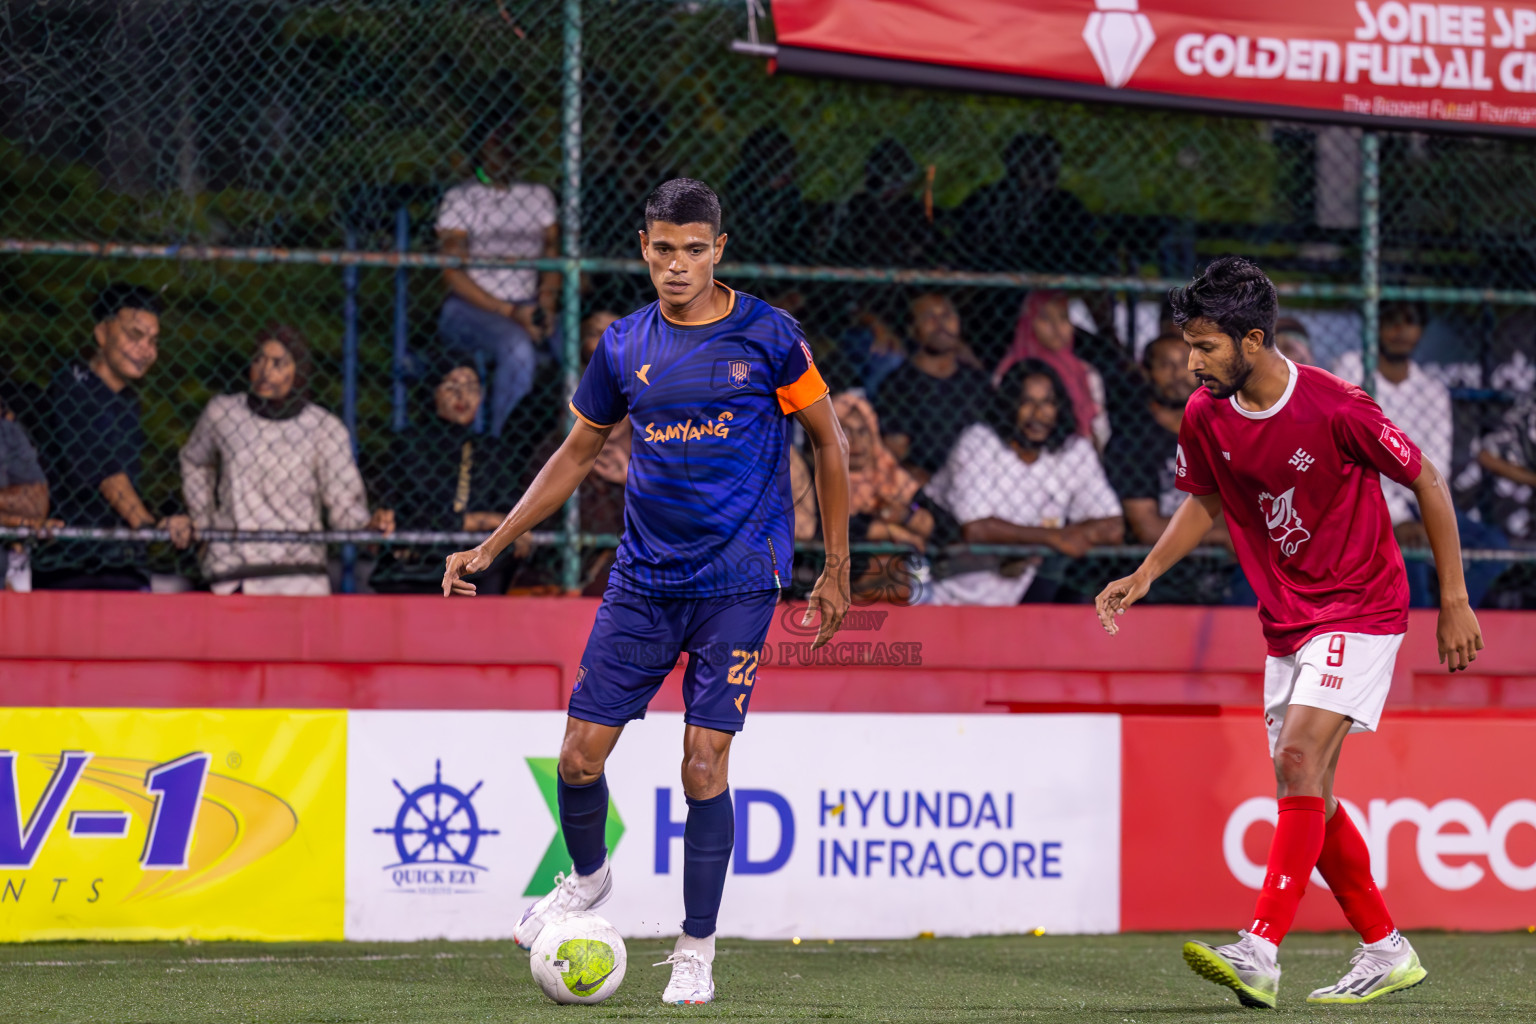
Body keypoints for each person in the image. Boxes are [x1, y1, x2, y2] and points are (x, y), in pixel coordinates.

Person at [440, 179, 850, 1006]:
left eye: (694, 250)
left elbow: (829, 443)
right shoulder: (624, 345)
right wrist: (493, 544)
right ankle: (588, 881)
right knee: (577, 758)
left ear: (718, 252)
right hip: (643, 580)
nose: (677, 265)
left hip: (740, 581)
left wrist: (836, 566)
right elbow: (575, 453)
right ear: (644, 248)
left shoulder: (770, 336)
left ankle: (695, 948)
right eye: (664, 249)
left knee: (704, 766)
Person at [1095, 257, 1483, 1009]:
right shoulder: (1207, 414)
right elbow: (1205, 499)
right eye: (1187, 347)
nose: (1191, 363)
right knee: (1313, 790)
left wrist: (1456, 599)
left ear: (1254, 338)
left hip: (1363, 605)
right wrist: (1144, 574)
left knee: (1298, 757)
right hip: (1288, 620)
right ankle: (1386, 948)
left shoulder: (1338, 407)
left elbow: (1427, 480)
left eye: (1205, 348)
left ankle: (1260, 950)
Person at [180, 324, 393, 595]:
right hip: (233, 570)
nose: (265, 371)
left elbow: (343, 501)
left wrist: (367, 529)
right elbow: (195, 461)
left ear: (298, 370)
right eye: (259, 359)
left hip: (298, 574)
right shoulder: (224, 413)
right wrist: (204, 523)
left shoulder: (322, 427)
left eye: (278, 363)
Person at [923, 360, 1122, 605]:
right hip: (951, 593)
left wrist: (1042, 543)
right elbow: (976, 528)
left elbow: (1112, 525)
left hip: (1024, 591)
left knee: (1081, 576)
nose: (1038, 413)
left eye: (1047, 402)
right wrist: (1051, 539)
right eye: (1027, 402)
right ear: (1009, 405)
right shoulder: (978, 442)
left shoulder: (1074, 451)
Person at [35, 284, 192, 590]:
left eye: (153, 341)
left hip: (120, 562)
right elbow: (106, 476)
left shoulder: (127, 401)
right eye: (134, 335)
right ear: (102, 333)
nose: (146, 350)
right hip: (75, 565)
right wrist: (149, 528)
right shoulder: (73, 385)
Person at [436, 116, 561, 436]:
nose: (505, 150)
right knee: (515, 347)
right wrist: (509, 312)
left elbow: (553, 255)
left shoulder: (538, 196)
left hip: (529, 303)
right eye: (496, 142)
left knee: (581, 345)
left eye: (511, 140)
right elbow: (452, 271)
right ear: (480, 148)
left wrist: (545, 303)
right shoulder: (461, 198)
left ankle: (577, 443)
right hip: (472, 307)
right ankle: (506, 447)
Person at [1332, 302, 1455, 606]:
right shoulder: (1350, 369)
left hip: (1421, 498)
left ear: (1422, 330)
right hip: (1363, 499)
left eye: (1410, 321)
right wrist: (1398, 516)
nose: (1400, 331)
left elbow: (1438, 462)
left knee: (1491, 544)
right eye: (1391, 321)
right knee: (1405, 555)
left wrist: (1424, 515)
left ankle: (1453, 616)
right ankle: (1418, 632)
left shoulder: (1432, 389)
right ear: (1375, 324)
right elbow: (1354, 453)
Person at [371, 358, 526, 595]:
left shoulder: (492, 451)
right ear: (434, 392)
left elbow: (509, 509)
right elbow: (412, 514)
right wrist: (476, 522)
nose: (463, 396)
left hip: (476, 568)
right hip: (416, 566)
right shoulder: (410, 444)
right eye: (452, 386)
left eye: (472, 388)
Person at [1103, 332, 1231, 602]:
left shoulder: (1221, 428)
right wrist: (1222, 535)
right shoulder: (1132, 440)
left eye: (1186, 363)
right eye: (1165, 365)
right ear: (1146, 373)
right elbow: (1146, 527)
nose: (1178, 374)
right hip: (1157, 575)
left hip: (1219, 570)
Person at [875, 293, 990, 483]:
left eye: (947, 316)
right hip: (926, 486)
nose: (941, 324)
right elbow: (895, 456)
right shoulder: (898, 386)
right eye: (929, 317)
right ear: (912, 330)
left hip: (977, 481)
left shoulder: (977, 381)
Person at [993, 290, 1111, 448]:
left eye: (1063, 318)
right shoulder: (1009, 372)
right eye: (1045, 318)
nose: (1057, 328)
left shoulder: (1086, 373)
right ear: (1029, 322)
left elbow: (1101, 430)